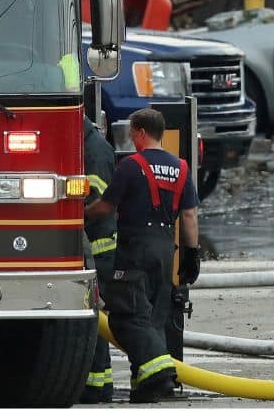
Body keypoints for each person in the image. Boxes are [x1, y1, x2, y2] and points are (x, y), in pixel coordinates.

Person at [86, 108, 199, 404]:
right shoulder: (181, 167)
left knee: (126, 316)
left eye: (132, 133)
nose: (131, 139)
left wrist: (79, 215)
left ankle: (159, 372)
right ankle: (144, 386)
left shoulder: (131, 165)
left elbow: (106, 206)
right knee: (154, 317)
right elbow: (189, 215)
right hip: (166, 248)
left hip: (135, 248)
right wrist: (192, 253)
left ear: (140, 132)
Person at [81, 117, 118, 404]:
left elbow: (98, 200)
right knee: (96, 318)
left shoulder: (96, 150)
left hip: (99, 247)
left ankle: (96, 385)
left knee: (95, 318)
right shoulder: (91, 145)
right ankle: (100, 383)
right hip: (95, 246)